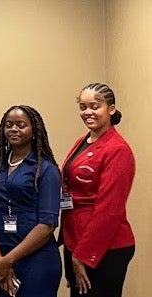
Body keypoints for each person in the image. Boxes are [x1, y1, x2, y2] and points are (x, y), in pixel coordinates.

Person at [0, 105, 62, 297]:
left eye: (21, 125)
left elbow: (47, 225)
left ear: (34, 130)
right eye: (9, 125)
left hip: (37, 260)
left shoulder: (46, 169)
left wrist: (8, 261)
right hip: (0, 258)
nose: (14, 129)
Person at [61, 83, 135, 297]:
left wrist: (84, 255)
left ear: (111, 109)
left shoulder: (118, 149)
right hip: (76, 239)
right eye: (83, 107)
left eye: (95, 106)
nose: (87, 112)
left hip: (104, 246)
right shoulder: (83, 141)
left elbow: (109, 209)